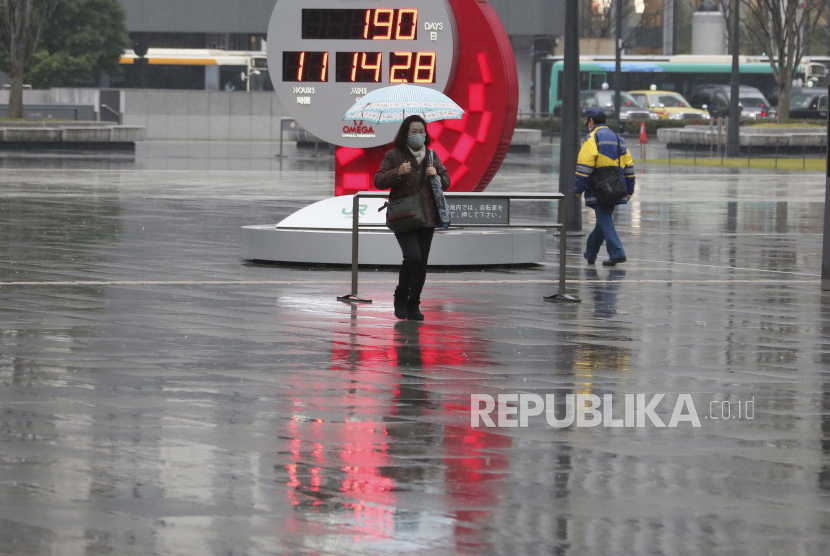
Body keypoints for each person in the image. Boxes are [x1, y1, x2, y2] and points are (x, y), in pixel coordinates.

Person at [374, 115, 451, 321]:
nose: (419, 135)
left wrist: (437, 176)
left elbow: (446, 181)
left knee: (422, 262)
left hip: (427, 216)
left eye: (422, 131)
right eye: (414, 132)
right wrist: (397, 172)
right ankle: (400, 296)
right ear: (405, 134)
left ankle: (414, 302)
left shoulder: (432, 155)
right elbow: (379, 181)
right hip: (404, 216)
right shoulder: (394, 155)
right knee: (413, 257)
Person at [574, 108, 635, 267]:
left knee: (604, 218)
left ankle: (617, 252)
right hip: (616, 186)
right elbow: (628, 165)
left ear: (591, 121)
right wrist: (630, 189)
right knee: (603, 220)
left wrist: (578, 188)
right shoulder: (618, 138)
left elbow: (584, 165)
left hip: (599, 186)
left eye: (587, 121)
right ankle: (591, 252)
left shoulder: (592, 137)